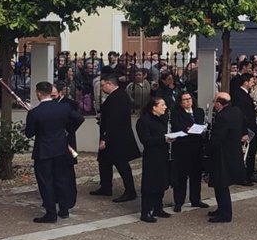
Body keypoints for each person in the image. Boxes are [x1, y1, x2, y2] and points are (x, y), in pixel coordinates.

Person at [24, 81, 84, 223]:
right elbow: (79, 118)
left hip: (43, 151)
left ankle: (51, 213)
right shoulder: (63, 107)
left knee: (45, 182)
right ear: (51, 92)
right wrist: (67, 129)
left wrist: (33, 118)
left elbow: (29, 133)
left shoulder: (35, 112)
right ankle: (64, 210)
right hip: (62, 148)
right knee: (62, 179)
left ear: (38, 93)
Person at [91, 74, 141, 202]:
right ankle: (106, 187)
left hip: (116, 137)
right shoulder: (117, 96)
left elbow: (114, 119)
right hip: (114, 135)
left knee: (121, 164)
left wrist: (105, 138)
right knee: (104, 162)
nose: (101, 88)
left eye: (103, 85)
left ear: (109, 84)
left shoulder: (117, 97)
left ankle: (130, 190)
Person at [136, 96, 175, 223]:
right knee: (150, 184)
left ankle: (158, 207)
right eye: (162, 105)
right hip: (152, 156)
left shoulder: (162, 119)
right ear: (154, 107)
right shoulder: (144, 121)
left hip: (163, 154)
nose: (165, 107)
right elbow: (145, 140)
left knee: (161, 182)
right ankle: (146, 211)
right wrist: (163, 139)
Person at [208, 92, 245, 223]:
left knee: (221, 184)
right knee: (221, 184)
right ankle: (221, 209)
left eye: (214, 102)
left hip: (223, 154)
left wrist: (207, 150)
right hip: (233, 151)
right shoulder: (236, 111)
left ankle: (225, 213)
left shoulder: (223, 116)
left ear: (219, 103)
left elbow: (217, 137)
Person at [170, 91, 209, 212]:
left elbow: (201, 124)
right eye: (185, 100)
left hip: (196, 147)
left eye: (189, 99)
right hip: (182, 148)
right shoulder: (176, 113)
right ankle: (179, 201)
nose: (188, 101)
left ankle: (196, 199)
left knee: (196, 175)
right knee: (181, 176)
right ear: (180, 102)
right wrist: (190, 129)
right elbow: (178, 127)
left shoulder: (199, 111)